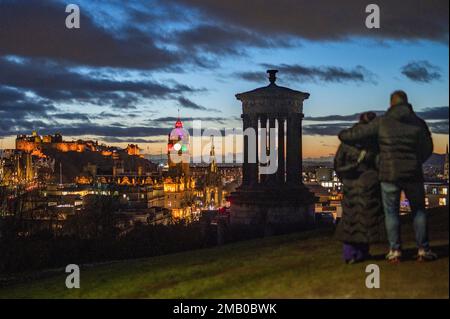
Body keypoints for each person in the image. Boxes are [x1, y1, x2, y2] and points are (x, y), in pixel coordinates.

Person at [339, 91, 437, 263]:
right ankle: (423, 249)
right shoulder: (419, 123)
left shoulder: (383, 122)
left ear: (391, 104)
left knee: (391, 213)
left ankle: (395, 251)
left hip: (389, 173)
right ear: (407, 103)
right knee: (419, 212)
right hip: (413, 173)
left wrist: (345, 134)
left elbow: (355, 135)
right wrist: (415, 160)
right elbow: (428, 147)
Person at [335, 112, 384, 264]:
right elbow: (380, 164)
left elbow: (338, 164)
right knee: (366, 219)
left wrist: (347, 178)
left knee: (350, 219)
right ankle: (362, 252)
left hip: (350, 183)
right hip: (369, 184)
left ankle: (349, 253)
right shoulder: (374, 142)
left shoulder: (347, 142)